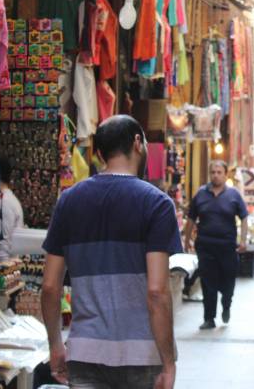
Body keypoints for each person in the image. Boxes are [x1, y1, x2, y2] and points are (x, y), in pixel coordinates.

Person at [41, 115, 182, 389]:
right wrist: (168, 361)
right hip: (141, 355)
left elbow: (49, 286)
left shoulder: (69, 201)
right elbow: (157, 291)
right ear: (137, 143)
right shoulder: (156, 204)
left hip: (84, 351)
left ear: (100, 153)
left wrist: (56, 345)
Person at [183, 160, 249, 330]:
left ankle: (226, 303)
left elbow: (244, 217)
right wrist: (186, 241)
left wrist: (242, 240)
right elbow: (191, 218)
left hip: (227, 246)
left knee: (228, 281)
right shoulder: (201, 194)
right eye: (213, 172)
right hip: (205, 246)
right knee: (207, 282)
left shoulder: (233, 195)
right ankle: (209, 318)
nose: (215, 175)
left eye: (219, 172)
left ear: (225, 174)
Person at [0, 157, 24, 267]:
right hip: (9, 265)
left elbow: (3, 243)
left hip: (3, 266)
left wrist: (2, 273)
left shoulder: (3, 201)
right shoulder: (11, 199)